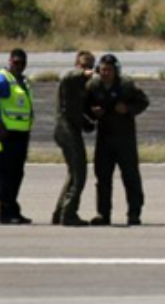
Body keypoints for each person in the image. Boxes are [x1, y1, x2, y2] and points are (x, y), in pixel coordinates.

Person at [87, 54, 149, 227]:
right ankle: (103, 213)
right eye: (103, 70)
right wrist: (93, 112)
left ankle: (134, 212)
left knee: (131, 177)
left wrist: (128, 109)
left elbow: (144, 102)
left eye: (109, 70)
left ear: (116, 71)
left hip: (125, 139)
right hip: (104, 139)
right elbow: (85, 105)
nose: (105, 73)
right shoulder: (94, 85)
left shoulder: (126, 85)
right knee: (103, 178)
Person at [52, 51, 96, 227]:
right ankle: (69, 214)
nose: (88, 70)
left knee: (73, 173)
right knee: (79, 173)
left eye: (90, 66)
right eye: (84, 66)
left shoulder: (84, 87)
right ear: (77, 65)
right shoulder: (70, 80)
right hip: (65, 129)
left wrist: (88, 121)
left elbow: (79, 111)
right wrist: (83, 73)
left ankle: (60, 212)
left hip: (73, 129)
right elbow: (66, 76)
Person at [0, 48, 34, 225]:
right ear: (9, 61)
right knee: (5, 174)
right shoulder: (3, 79)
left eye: (22, 63)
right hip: (5, 135)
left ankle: (12, 209)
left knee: (17, 174)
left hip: (21, 134)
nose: (18, 66)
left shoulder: (23, 81)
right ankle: (6, 212)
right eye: (15, 62)